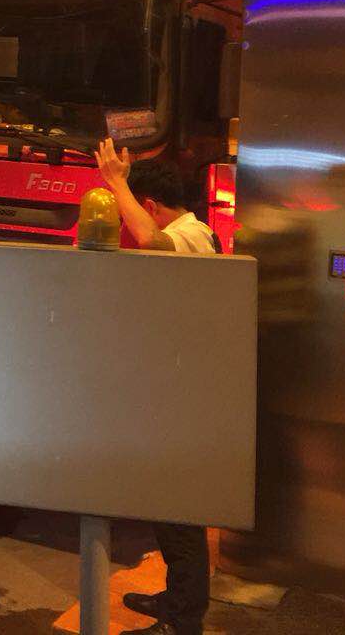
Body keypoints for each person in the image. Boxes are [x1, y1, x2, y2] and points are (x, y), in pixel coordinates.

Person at [95, 138, 217, 635]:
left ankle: (183, 621)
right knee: (168, 507)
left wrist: (115, 183)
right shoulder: (188, 234)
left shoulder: (191, 235)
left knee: (179, 510)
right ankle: (178, 600)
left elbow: (150, 241)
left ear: (149, 206)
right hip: (175, 389)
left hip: (187, 397)